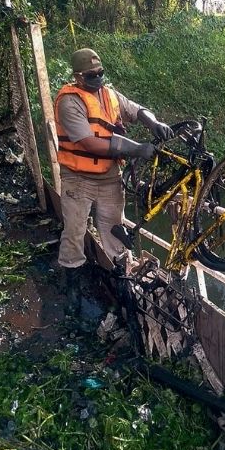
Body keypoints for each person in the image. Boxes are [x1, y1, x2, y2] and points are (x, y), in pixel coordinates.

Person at [54, 48, 174, 307]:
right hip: (78, 178)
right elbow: (89, 143)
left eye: (100, 73)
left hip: (109, 177)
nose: (97, 78)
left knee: (114, 230)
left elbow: (137, 109)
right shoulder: (69, 101)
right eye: (91, 75)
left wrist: (153, 122)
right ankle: (72, 283)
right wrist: (137, 148)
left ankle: (122, 280)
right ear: (77, 76)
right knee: (75, 231)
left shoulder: (109, 95)